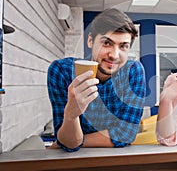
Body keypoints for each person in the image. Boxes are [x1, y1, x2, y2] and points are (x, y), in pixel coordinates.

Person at [47, 8, 146, 152]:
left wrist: (72, 142)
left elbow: (126, 134)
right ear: (90, 41)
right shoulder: (62, 71)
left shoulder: (133, 71)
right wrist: (71, 115)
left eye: (123, 46)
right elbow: (67, 142)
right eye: (107, 43)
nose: (114, 55)